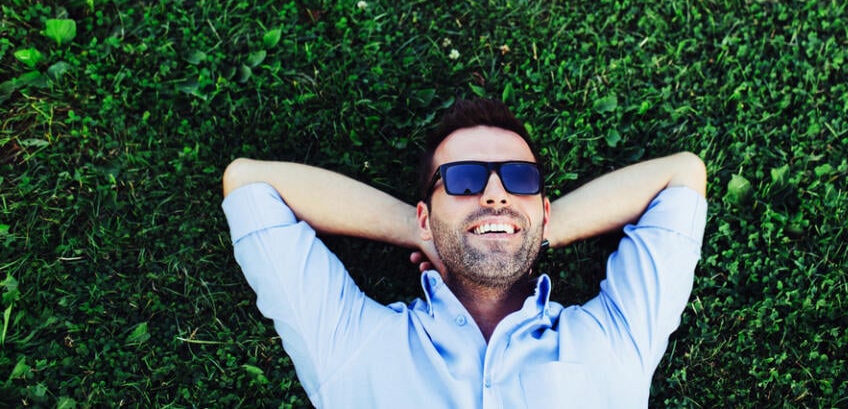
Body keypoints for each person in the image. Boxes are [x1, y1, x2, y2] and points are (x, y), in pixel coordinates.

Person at [221, 98, 707, 408]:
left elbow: (682, 176)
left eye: (518, 178)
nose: (496, 194)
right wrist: (433, 234)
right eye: (464, 179)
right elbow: (250, 184)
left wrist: (528, 230)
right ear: (425, 215)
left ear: (543, 208)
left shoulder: (613, 340)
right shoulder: (354, 345)